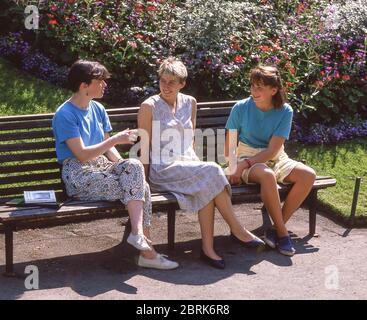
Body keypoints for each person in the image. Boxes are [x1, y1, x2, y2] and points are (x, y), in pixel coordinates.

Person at [138, 57, 264, 270]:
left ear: (182, 84)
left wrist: (197, 167)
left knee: (208, 182)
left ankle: (208, 250)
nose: (166, 86)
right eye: (162, 81)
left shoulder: (190, 103)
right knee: (212, 172)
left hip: (188, 164)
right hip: (162, 169)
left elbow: (191, 140)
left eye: (172, 82)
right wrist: (144, 183)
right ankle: (237, 229)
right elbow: (144, 147)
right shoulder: (149, 106)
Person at [52, 59, 178, 270]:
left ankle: (138, 237)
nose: (104, 84)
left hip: (102, 167)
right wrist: (116, 140)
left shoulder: (98, 108)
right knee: (142, 187)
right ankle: (147, 252)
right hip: (79, 175)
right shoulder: (64, 114)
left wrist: (126, 167)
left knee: (135, 170)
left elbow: (109, 151)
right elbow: (82, 155)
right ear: (84, 85)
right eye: (99, 81)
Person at [225, 65, 316, 256]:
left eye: (260, 87)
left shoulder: (285, 111)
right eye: (252, 86)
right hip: (246, 156)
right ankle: (283, 234)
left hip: (274, 156)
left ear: (273, 90)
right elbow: (229, 146)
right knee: (267, 175)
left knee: (308, 175)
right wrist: (235, 166)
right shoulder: (240, 108)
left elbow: (273, 150)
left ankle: (274, 229)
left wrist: (243, 165)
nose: (254, 91)